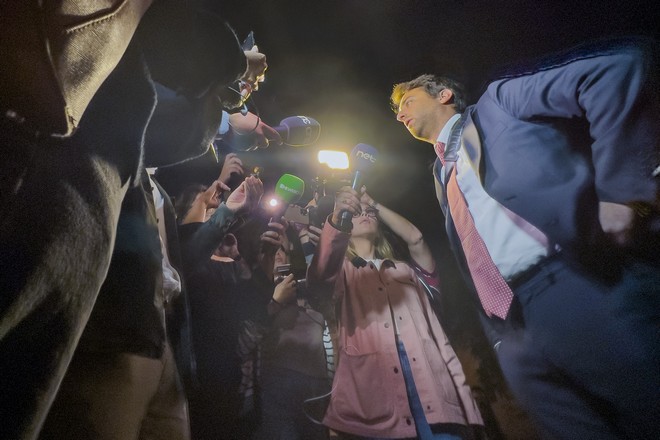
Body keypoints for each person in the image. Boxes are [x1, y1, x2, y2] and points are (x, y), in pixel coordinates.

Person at [0, 2, 269, 438]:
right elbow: (167, 35)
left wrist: (225, 101)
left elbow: (158, 136)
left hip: (143, 327)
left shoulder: (130, 133)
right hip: (42, 190)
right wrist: (235, 67)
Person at [390, 37, 660, 439]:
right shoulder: (441, 174)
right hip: (515, 333)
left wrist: (621, 191)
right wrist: (501, 340)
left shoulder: (498, 104)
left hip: (580, 287)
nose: (400, 115)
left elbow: (614, 70)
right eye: (397, 111)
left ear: (443, 94)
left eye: (408, 101)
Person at [307, 188, 484, 439]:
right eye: (357, 213)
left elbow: (416, 238)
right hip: (375, 389)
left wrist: (372, 202)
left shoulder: (405, 271)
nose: (365, 215)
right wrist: (338, 219)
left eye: (370, 213)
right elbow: (320, 276)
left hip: (431, 381)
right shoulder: (342, 272)